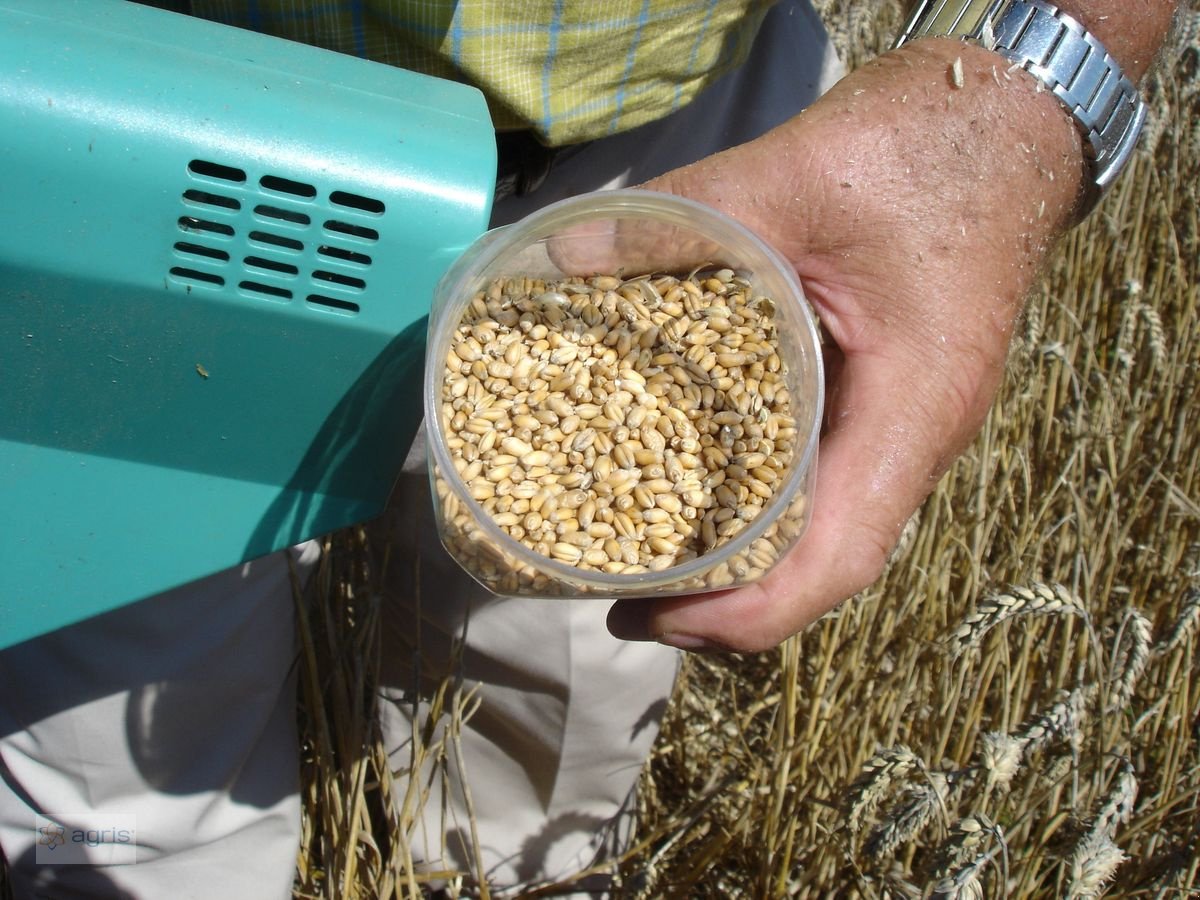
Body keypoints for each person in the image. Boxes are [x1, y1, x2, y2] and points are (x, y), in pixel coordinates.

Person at [0, 0, 1180, 897]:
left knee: (552, 716)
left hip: (675, 133)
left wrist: (1025, 97)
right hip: (135, 122)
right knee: (122, 778)